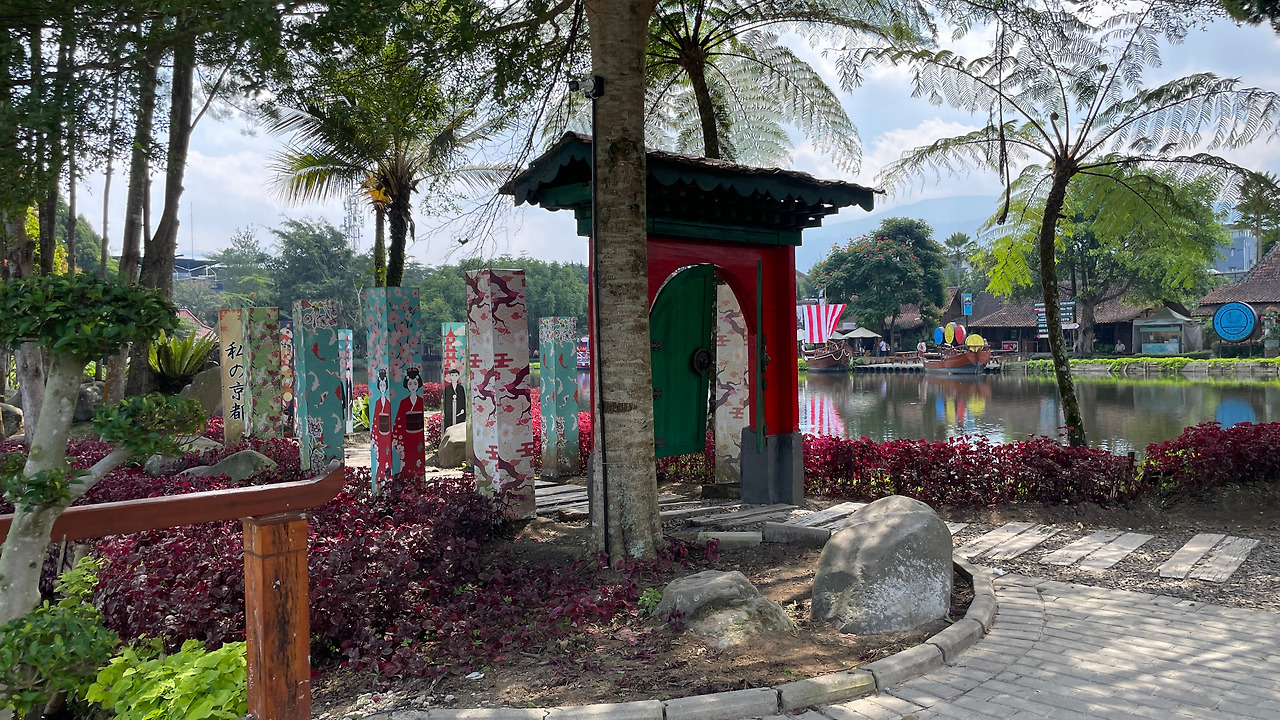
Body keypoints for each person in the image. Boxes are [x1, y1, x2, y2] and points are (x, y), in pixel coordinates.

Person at [394, 367, 427, 478]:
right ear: (407, 385)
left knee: (418, 459)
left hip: (418, 436)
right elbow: (399, 420)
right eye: (410, 384)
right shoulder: (403, 402)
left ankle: (418, 480)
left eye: (415, 383)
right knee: (407, 460)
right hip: (406, 437)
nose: (413, 386)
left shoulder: (420, 401)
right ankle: (405, 479)